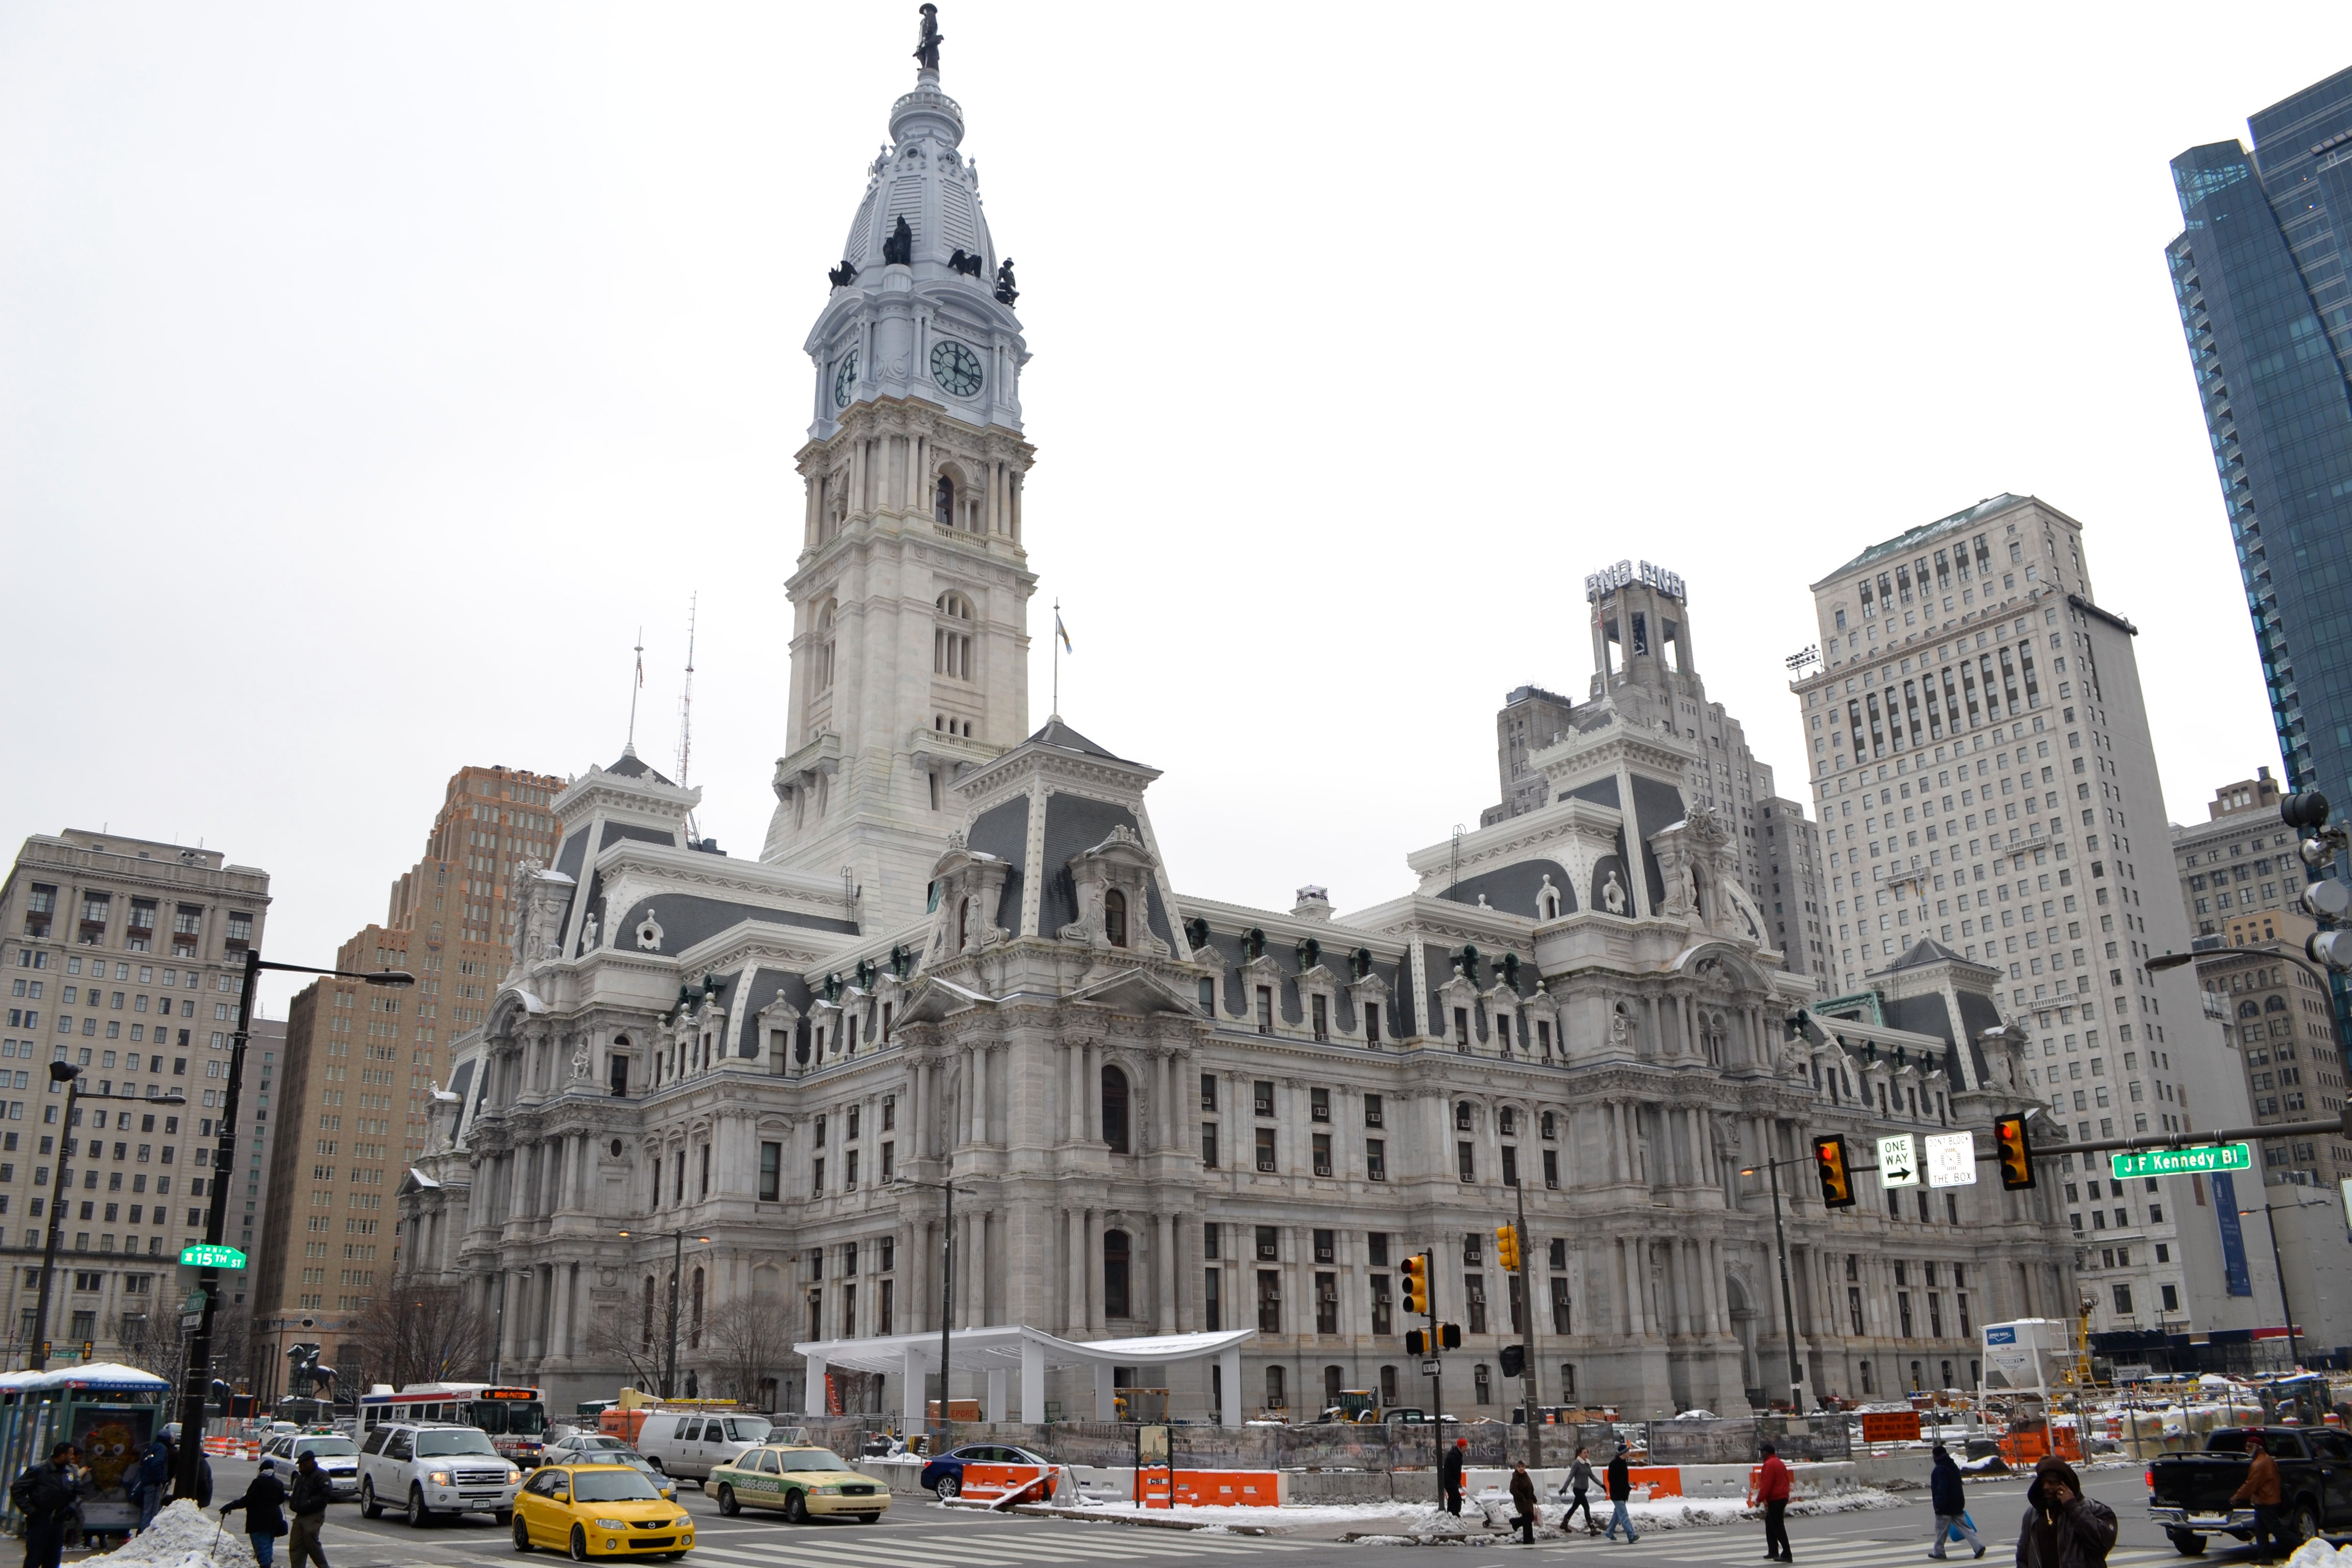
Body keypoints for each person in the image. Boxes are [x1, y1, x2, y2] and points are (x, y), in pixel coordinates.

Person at [2015, 1456, 2116, 1568]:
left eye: (2052, 1482)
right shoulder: (2033, 1515)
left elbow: (2102, 1544)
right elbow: (2023, 1558)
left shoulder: (2093, 1509)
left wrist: (2073, 1508)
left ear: (2066, 1484)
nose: (2046, 1487)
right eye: (2043, 1482)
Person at [11, 1442, 83, 1568]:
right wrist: (31, 1510)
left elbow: (80, 1493)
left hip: (59, 1521)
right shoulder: (39, 1470)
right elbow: (17, 1489)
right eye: (70, 1454)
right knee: (34, 1557)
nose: (73, 1457)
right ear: (62, 1456)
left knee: (53, 1559)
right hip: (40, 1520)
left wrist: (71, 1508)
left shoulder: (71, 1471)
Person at [219, 1464, 289, 1568]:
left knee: (262, 1547)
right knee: (268, 1546)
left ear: (261, 1470)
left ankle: (266, 1566)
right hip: (275, 1520)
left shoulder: (258, 1483)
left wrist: (231, 1506)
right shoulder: (278, 1483)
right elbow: (281, 1500)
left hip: (259, 1521)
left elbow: (247, 1500)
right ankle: (267, 1565)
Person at [2230, 1431, 2284, 1564]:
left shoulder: (2260, 1463)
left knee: (2277, 1529)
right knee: (2260, 1531)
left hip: (2266, 1501)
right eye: (2247, 1446)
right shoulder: (2264, 1460)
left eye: (2250, 1447)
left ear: (2258, 1447)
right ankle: (2265, 1557)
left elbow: (2251, 1484)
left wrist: (2237, 1497)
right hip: (2263, 1501)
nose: (2247, 1449)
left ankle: (2302, 1546)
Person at [1928, 1442, 1983, 1560]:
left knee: (1941, 1530)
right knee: (1965, 1527)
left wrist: (1938, 1505)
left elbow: (1941, 1489)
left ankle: (1939, 1551)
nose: (1933, 1458)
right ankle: (1978, 1546)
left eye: (1933, 1456)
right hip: (1957, 1504)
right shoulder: (1953, 1466)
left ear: (1936, 1456)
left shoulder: (1940, 1469)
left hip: (1945, 1506)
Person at [285, 1453, 333, 1568]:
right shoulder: (302, 1476)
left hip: (314, 1514)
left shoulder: (321, 1475)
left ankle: (323, 1566)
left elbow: (325, 1494)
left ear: (310, 1462)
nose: (300, 1467)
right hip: (300, 1515)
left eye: (303, 1464)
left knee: (311, 1541)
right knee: (296, 1545)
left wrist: (309, 1503)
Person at [1753, 1442, 1793, 1563]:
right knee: (1770, 1522)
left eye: (1762, 1452)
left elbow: (1767, 1484)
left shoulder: (1769, 1464)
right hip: (1782, 1496)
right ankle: (1773, 1550)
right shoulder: (1779, 1462)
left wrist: (1759, 1499)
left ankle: (1787, 1553)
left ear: (1766, 1453)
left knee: (1777, 1526)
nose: (1761, 1455)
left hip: (1776, 1498)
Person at [131, 1436, 171, 1533]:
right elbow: (157, 1464)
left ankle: (144, 1531)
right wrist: (158, 1479)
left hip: (146, 1482)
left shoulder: (152, 1447)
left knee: (148, 1509)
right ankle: (147, 1532)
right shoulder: (162, 1449)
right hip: (153, 1484)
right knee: (152, 1509)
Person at [1558, 1446, 1599, 1534]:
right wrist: (1564, 1489)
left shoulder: (1587, 1464)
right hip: (1578, 1489)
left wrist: (1602, 1485)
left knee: (1574, 1507)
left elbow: (1592, 1476)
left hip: (1584, 1489)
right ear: (1580, 1454)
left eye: (1587, 1452)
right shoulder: (1576, 1463)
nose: (1586, 1454)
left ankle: (1565, 1523)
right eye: (1584, 1453)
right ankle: (1592, 1528)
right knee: (1586, 1507)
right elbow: (1571, 1476)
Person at [1604, 1443, 1639, 1544]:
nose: (1629, 1453)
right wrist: (1620, 1489)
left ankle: (1609, 1532)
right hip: (1617, 1494)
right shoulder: (1614, 1464)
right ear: (1623, 1453)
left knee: (1618, 1515)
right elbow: (1612, 1479)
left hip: (1622, 1494)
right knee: (1624, 1515)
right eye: (1628, 1451)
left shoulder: (1623, 1462)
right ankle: (1631, 1535)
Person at [1509, 1461, 1539, 1545]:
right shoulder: (1516, 1477)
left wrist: (1534, 1498)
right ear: (1517, 1468)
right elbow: (1513, 1490)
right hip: (1521, 1501)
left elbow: (1530, 1489)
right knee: (1528, 1518)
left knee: (1529, 1519)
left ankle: (1528, 1537)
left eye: (1523, 1467)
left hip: (1528, 1500)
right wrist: (1522, 1497)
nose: (1521, 1469)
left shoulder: (1526, 1476)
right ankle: (1527, 1539)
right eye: (1519, 1467)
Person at [1439, 1437, 1466, 1516]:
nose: (1466, 1449)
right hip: (1450, 1481)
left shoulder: (1457, 1454)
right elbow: (1455, 1470)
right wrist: (1456, 1482)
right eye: (1465, 1447)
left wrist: (1458, 1482)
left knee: (1453, 1498)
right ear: (1461, 1447)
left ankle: (1451, 1514)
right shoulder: (1455, 1456)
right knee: (1457, 1498)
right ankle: (1454, 1514)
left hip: (1451, 1481)